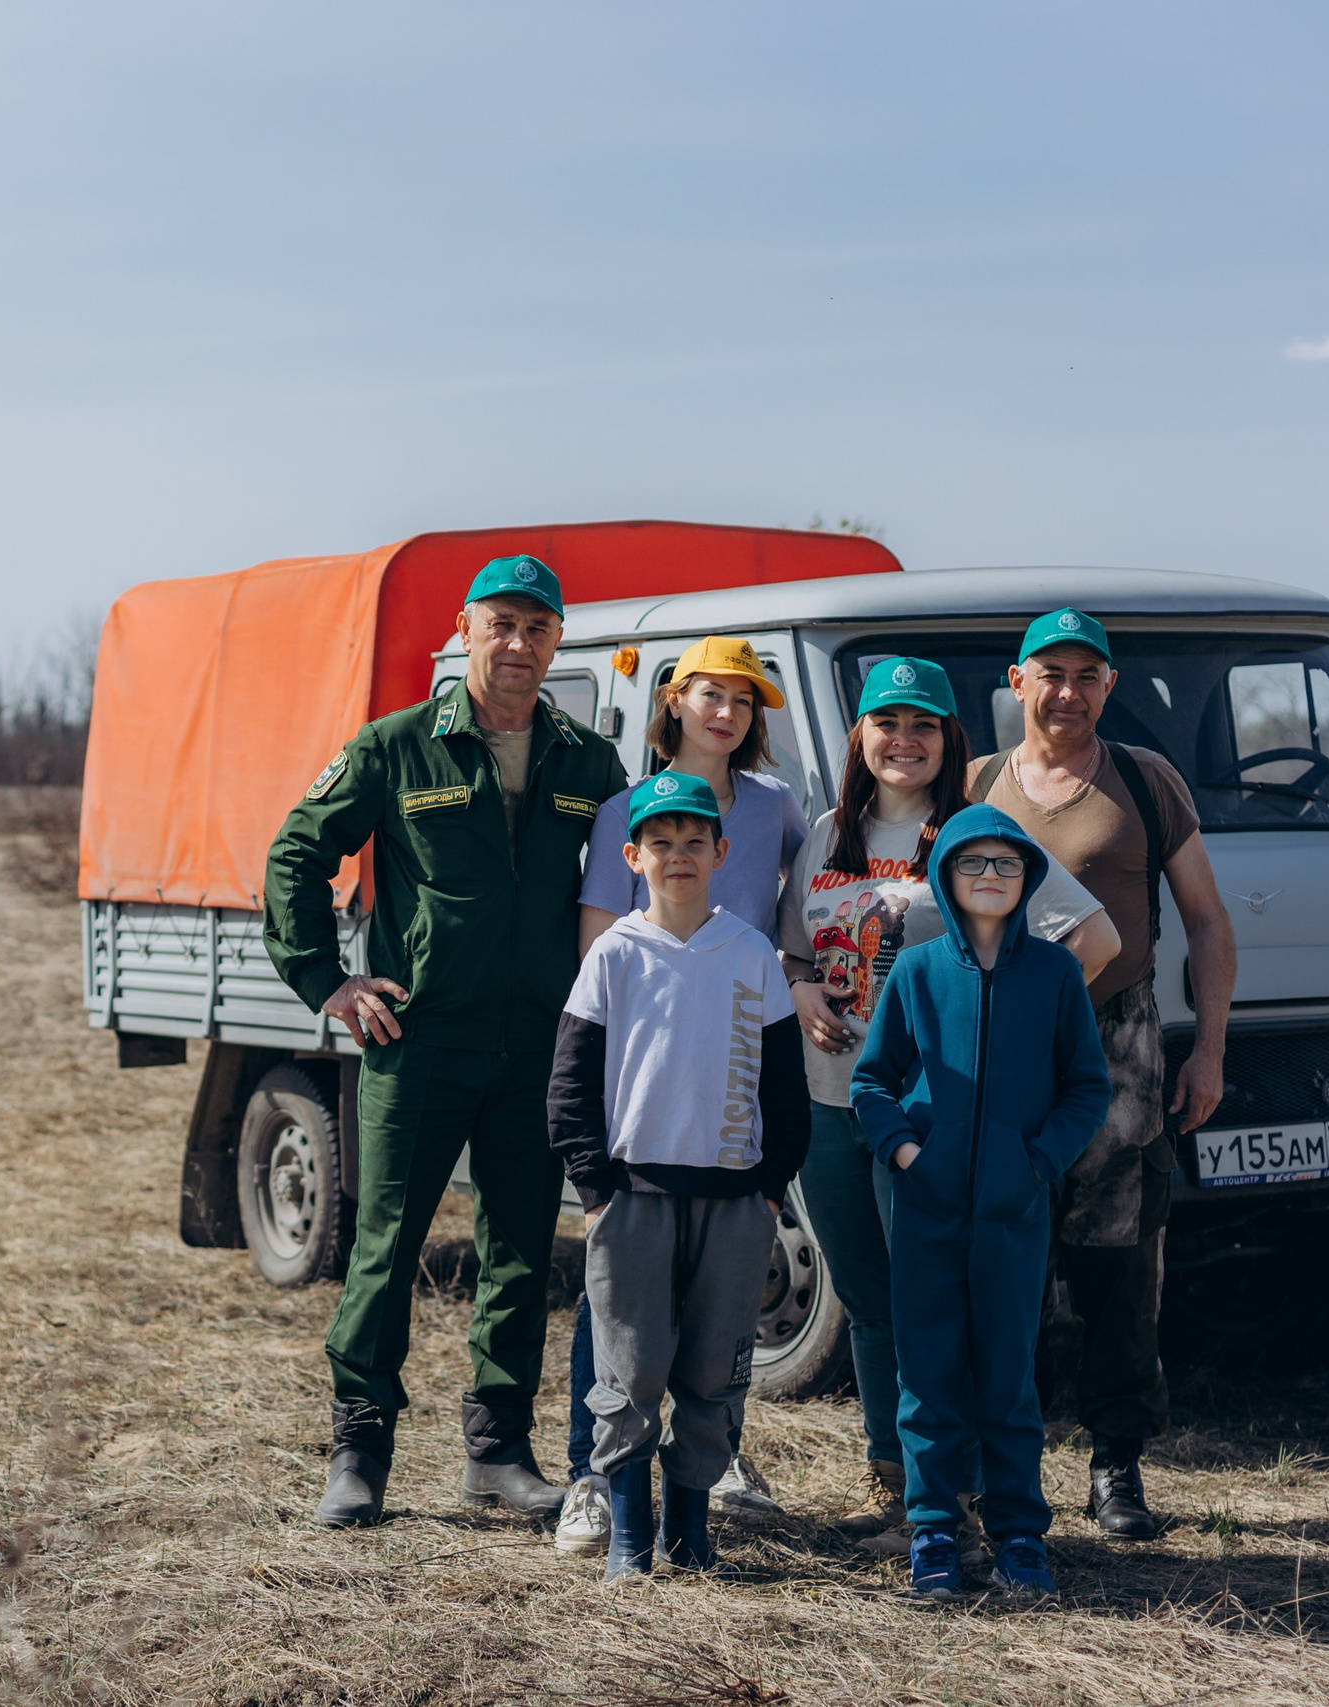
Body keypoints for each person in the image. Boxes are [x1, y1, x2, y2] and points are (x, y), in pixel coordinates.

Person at [263, 554, 628, 1528]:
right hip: (418, 1042)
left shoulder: (587, 762)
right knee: (384, 1247)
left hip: (535, 1049)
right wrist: (323, 980)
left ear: (558, 641)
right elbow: (299, 850)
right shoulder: (395, 749)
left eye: (537, 628)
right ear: (465, 627)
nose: (517, 645)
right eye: (500, 624)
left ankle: (497, 1453)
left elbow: (623, 890)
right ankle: (358, 1451)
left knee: (518, 1248)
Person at [777, 658, 1116, 1549]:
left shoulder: (974, 833)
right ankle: (898, 1486)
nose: (903, 739)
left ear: (949, 739)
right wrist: (804, 988)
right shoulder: (826, 835)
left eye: (923, 724)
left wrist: (1007, 1031)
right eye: (885, 722)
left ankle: (959, 1498)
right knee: (867, 1295)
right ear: (860, 737)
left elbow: (1094, 936)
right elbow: (795, 953)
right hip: (830, 1100)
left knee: (945, 1303)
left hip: (935, 1120)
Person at [967, 607, 1235, 1540]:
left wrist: (1208, 1048)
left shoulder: (1145, 783)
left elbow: (1205, 919)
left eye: (1087, 674)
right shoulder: (975, 787)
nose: (1068, 691)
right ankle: (1012, 1467)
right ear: (1018, 681)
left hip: (1120, 1046)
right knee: (1011, 1257)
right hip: (1004, 1051)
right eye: (1051, 672)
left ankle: (1117, 1466)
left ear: (1108, 685)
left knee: (1121, 1261)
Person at [555, 635, 809, 1551]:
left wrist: (773, 1177)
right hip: (639, 1152)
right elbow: (579, 1060)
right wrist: (595, 1181)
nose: (727, 712)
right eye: (712, 694)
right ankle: (610, 1498)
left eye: (745, 699)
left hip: (731, 1147)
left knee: (714, 1351)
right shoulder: (619, 924)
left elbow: (795, 922)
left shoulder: (778, 811)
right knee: (624, 1334)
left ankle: (696, 1506)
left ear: (719, 845)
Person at [851, 807, 1113, 1600]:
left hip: (1013, 1213)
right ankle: (933, 1531)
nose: (991, 878)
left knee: (1007, 1378)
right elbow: (871, 1080)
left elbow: (1086, 1088)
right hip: (928, 1210)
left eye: (1006, 864)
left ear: (1028, 876)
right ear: (947, 878)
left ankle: (1019, 1536)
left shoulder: (1055, 974)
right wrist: (906, 1152)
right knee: (927, 1377)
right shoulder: (920, 971)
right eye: (974, 865)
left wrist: (1035, 1161)